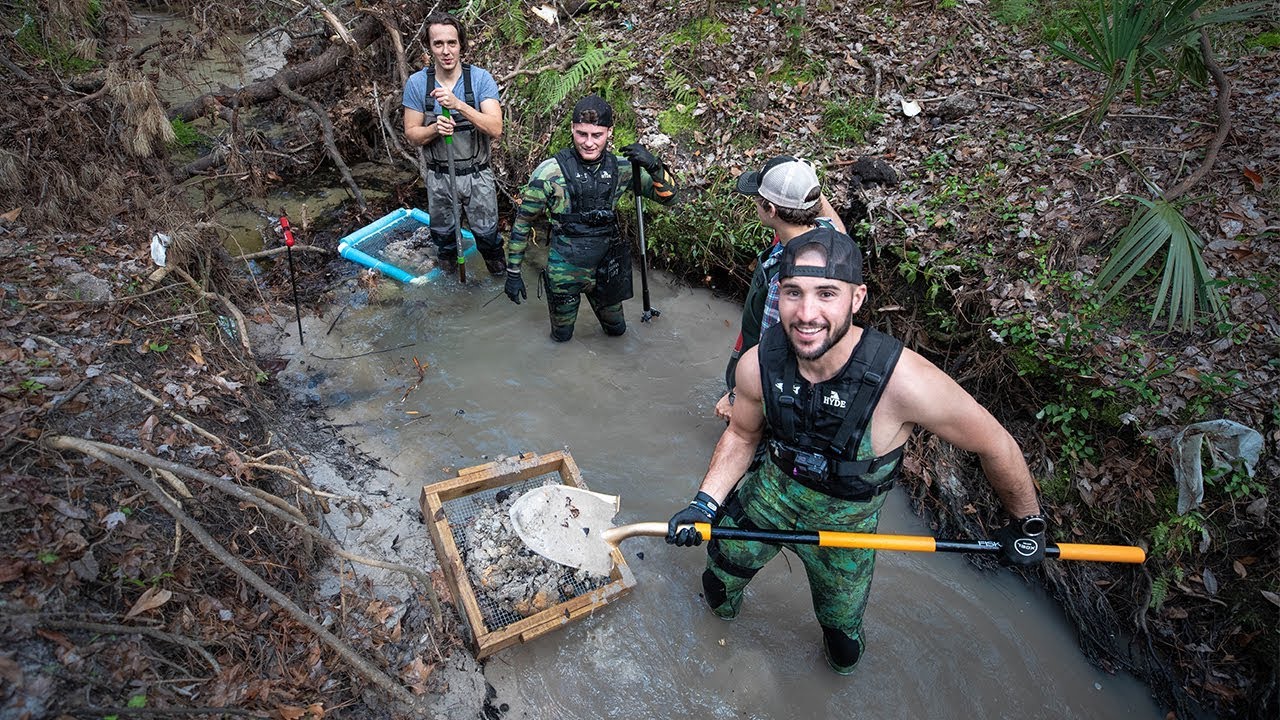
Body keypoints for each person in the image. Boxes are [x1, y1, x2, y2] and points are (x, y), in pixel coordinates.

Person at [666, 227, 1046, 675]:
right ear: (778, 295)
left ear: (857, 298)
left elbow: (996, 443)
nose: (807, 313)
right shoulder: (758, 364)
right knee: (717, 583)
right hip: (769, 497)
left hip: (848, 526)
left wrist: (1028, 523)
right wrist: (704, 503)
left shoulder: (904, 382)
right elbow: (743, 436)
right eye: (793, 293)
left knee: (841, 640)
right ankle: (715, 659)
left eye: (826, 293)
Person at [503, 94, 677, 342]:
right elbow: (523, 223)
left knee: (617, 333)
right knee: (561, 338)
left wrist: (654, 165)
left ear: (609, 132)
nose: (589, 143)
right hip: (564, 271)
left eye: (597, 135)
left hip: (607, 268)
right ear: (572, 129)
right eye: (581, 134)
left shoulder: (623, 169)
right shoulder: (549, 172)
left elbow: (670, 198)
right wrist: (512, 272)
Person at [715, 156, 846, 423]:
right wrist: (804, 186)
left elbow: (771, 350)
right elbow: (837, 225)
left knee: (745, 440)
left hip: (770, 385)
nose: (754, 202)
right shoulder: (829, 236)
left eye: (758, 198)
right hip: (811, 375)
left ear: (771, 211)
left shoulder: (784, 279)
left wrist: (736, 397)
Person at [402, 13, 506, 275]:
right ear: (430, 47)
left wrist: (458, 105)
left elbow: (495, 128)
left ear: (461, 45)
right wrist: (435, 129)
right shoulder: (417, 84)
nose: (446, 51)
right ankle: (453, 292)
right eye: (438, 44)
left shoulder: (480, 80)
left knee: (489, 240)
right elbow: (412, 134)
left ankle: (500, 283)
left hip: (477, 176)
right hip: (439, 178)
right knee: (445, 243)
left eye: (452, 43)